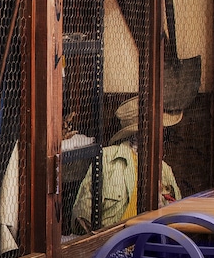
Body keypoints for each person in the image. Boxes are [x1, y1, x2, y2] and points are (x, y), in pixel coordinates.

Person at [71, 96, 183, 233]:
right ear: (140, 132)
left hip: (153, 239)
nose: (162, 134)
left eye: (163, 130)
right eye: (158, 129)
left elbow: (177, 214)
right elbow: (82, 215)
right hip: (114, 241)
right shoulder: (106, 158)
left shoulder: (164, 169)